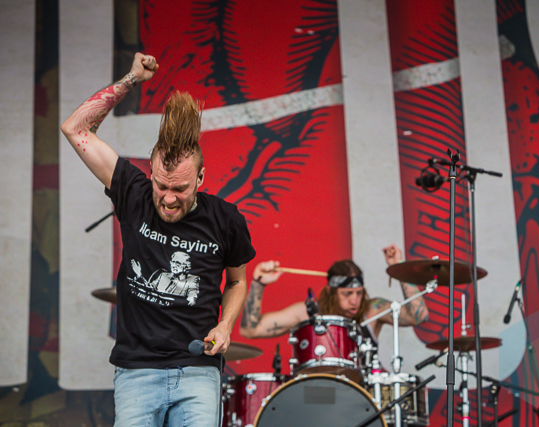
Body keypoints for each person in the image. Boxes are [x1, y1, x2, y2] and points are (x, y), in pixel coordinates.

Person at [61, 52, 256, 427]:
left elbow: (236, 281)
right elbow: (75, 128)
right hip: (136, 371)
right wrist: (131, 79)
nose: (168, 198)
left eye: (180, 189)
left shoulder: (225, 219)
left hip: (198, 370)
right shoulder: (132, 193)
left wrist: (225, 325)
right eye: (161, 186)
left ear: (201, 179)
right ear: (149, 173)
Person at [239, 244, 429, 344]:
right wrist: (258, 284)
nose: (355, 300)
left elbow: (419, 316)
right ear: (331, 292)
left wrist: (399, 268)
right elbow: (250, 331)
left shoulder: (372, 310)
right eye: (347, 294)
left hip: (363, 396)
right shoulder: (307, 313)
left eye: (359, 293)